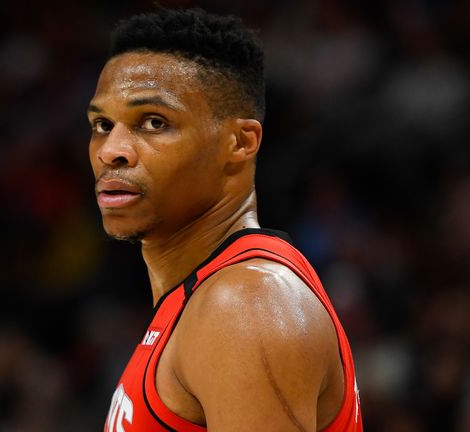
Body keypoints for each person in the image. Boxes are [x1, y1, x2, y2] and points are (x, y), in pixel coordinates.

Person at [88, 8, 362, 432]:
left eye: (154, 122)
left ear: (240, 142)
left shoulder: (244, 305)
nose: (112, 150)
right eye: (102, 124)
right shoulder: (205, 299)